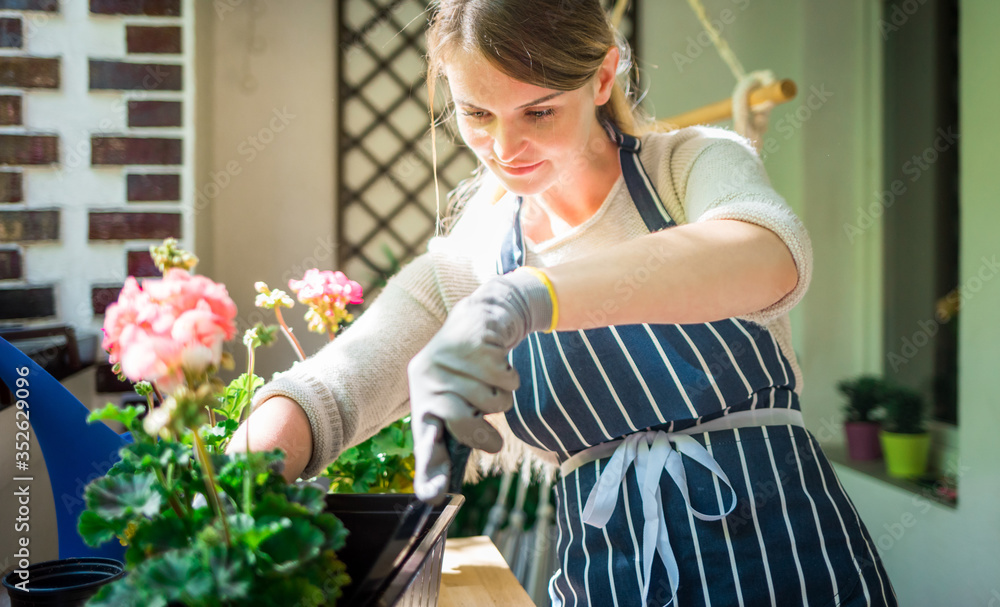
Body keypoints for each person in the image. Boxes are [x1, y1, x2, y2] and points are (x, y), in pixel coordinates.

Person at [229, 1, 898, 604]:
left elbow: (766, 252)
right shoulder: (473, 260)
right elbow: (332, 390)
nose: (504, 148)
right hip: (608, 579)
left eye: (538, 111)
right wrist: (230, 490)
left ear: (603, 78)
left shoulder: (688, 168)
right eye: (476, 114)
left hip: (792, 567)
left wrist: (528, 298)